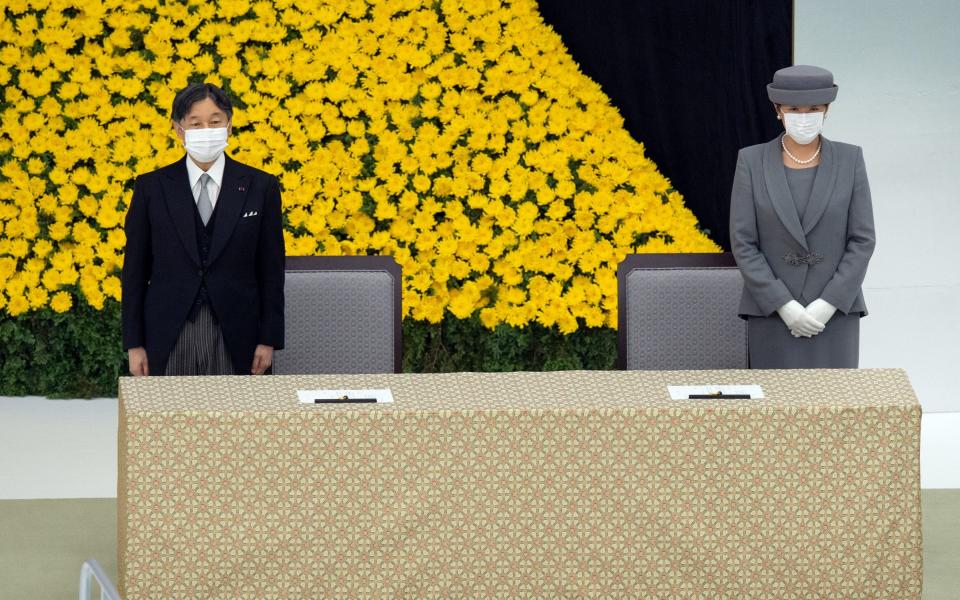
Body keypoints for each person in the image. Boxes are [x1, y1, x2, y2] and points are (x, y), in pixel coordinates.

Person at [121, 82, 285, 376]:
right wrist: (134, 344)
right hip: (169, 332)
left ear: (229, 126)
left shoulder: (261, 186)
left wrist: (268, 339)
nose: (206, 130)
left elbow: (271, 271)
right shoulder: (151, 188)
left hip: (239, 334)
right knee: (171, 418)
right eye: (195, 123)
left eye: (215, 122)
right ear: (178, 129)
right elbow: (134, 271)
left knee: (238, 418)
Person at [729, 65, 875, 368]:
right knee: (773, 410)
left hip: (835, 314)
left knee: (834, 407)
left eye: (814, 109)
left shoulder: (850, 160)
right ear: (778, 110)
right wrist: (784, 306)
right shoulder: (751, 161)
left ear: (827, 111)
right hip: (772, 314)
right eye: (794, 109)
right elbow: (744, 242)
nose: (804, 117)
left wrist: (828, 303)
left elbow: (862, 240)